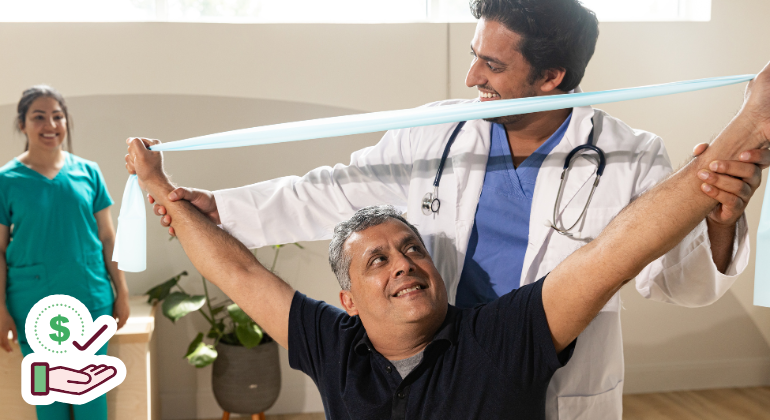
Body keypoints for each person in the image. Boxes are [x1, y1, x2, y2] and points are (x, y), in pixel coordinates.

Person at [145, 1, 768, 417]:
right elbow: (331, 192)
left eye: (493, 64)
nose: (472, 75)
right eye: (475, 52)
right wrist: (220, 207)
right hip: (440, 362)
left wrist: (717, 221)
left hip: (544, 365)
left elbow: (672, 277)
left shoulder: (629, 154)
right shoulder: (436, 132)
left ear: (552, 76)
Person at [0, 85, 130, 420]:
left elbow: (108, 238)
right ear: (22, 124)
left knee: (90, 399)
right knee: (49, 402)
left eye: (57, 116)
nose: (50, 125)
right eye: (39, 117)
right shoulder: (6, 180)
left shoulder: (89, 172)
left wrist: (123, 293)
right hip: (31, 306)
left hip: (89, 300)